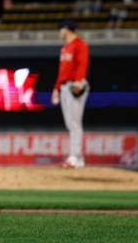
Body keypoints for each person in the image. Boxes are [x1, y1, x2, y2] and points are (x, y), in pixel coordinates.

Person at [51, 20, 90, 169]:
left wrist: (79, 81)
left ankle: (74, 156)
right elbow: (62, 72)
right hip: (64, 87)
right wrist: (56, 88)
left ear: (66, 29)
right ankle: (78, 158)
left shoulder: (80, 44)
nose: (59, 32)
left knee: (74, 123)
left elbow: (82, 63)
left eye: (60, 29)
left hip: (75, 85)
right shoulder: (65, 48)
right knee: (70, 123)